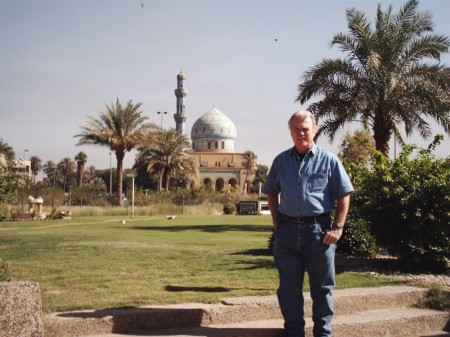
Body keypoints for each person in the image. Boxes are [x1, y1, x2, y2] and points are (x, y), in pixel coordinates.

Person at [263, 110, 354, 337]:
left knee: (322, 289)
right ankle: (294, 333)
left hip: (319, 233)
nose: (301, 133)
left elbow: (344, 194)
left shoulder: (329, 160)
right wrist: (278, 225)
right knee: (288, 290)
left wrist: (338, 227)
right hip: (287, 234)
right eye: (296, 129)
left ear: (314, 130)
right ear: (291, 132)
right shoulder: (281, 161)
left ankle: (322, 334)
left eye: (306, 128)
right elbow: (271, 194)